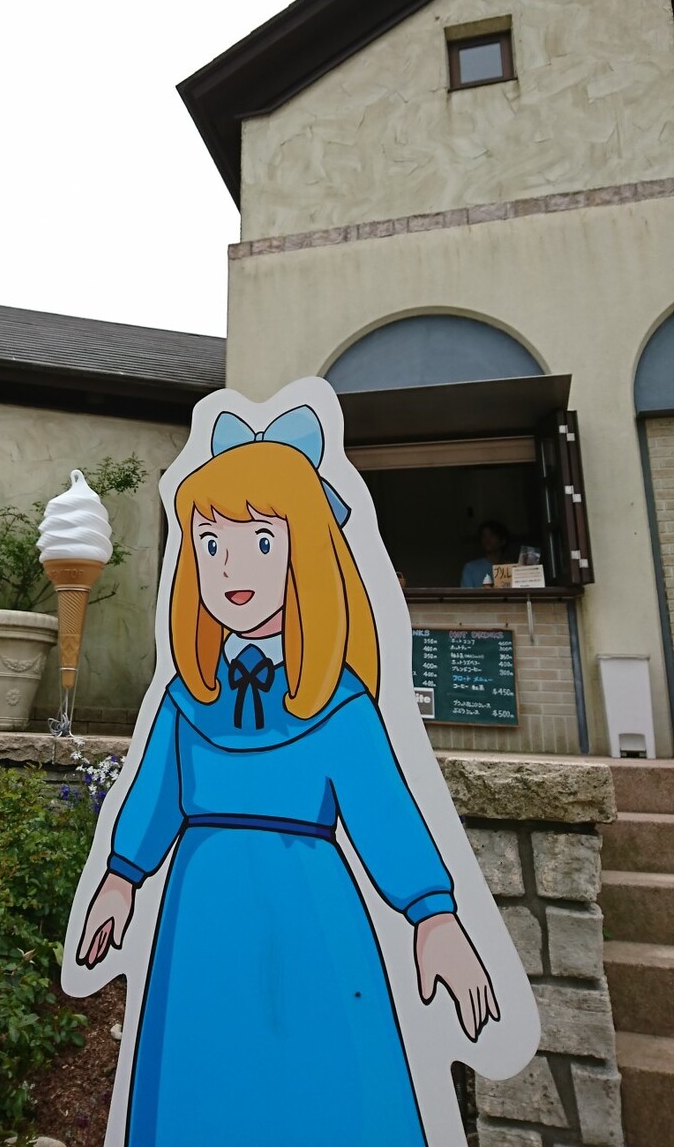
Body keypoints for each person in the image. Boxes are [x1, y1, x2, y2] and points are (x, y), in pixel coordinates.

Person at [76, 406, 498, 1146]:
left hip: (311, 914)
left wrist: (433, 915)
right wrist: (120, 877)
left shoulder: (339, 703)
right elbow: (155, 794)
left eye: (261, 542)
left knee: (324, 1080)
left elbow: (384, 810)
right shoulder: (187, 699)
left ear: (307, 553)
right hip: (200, 912)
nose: (229, 568)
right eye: (211, 544)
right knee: (201, 1079)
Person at [460, 520, 512, 588]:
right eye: (484, 536)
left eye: (492, 535)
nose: (487, 539)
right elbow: (466, 594)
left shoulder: (512, 568)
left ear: (503, 541)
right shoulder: (470, 568)